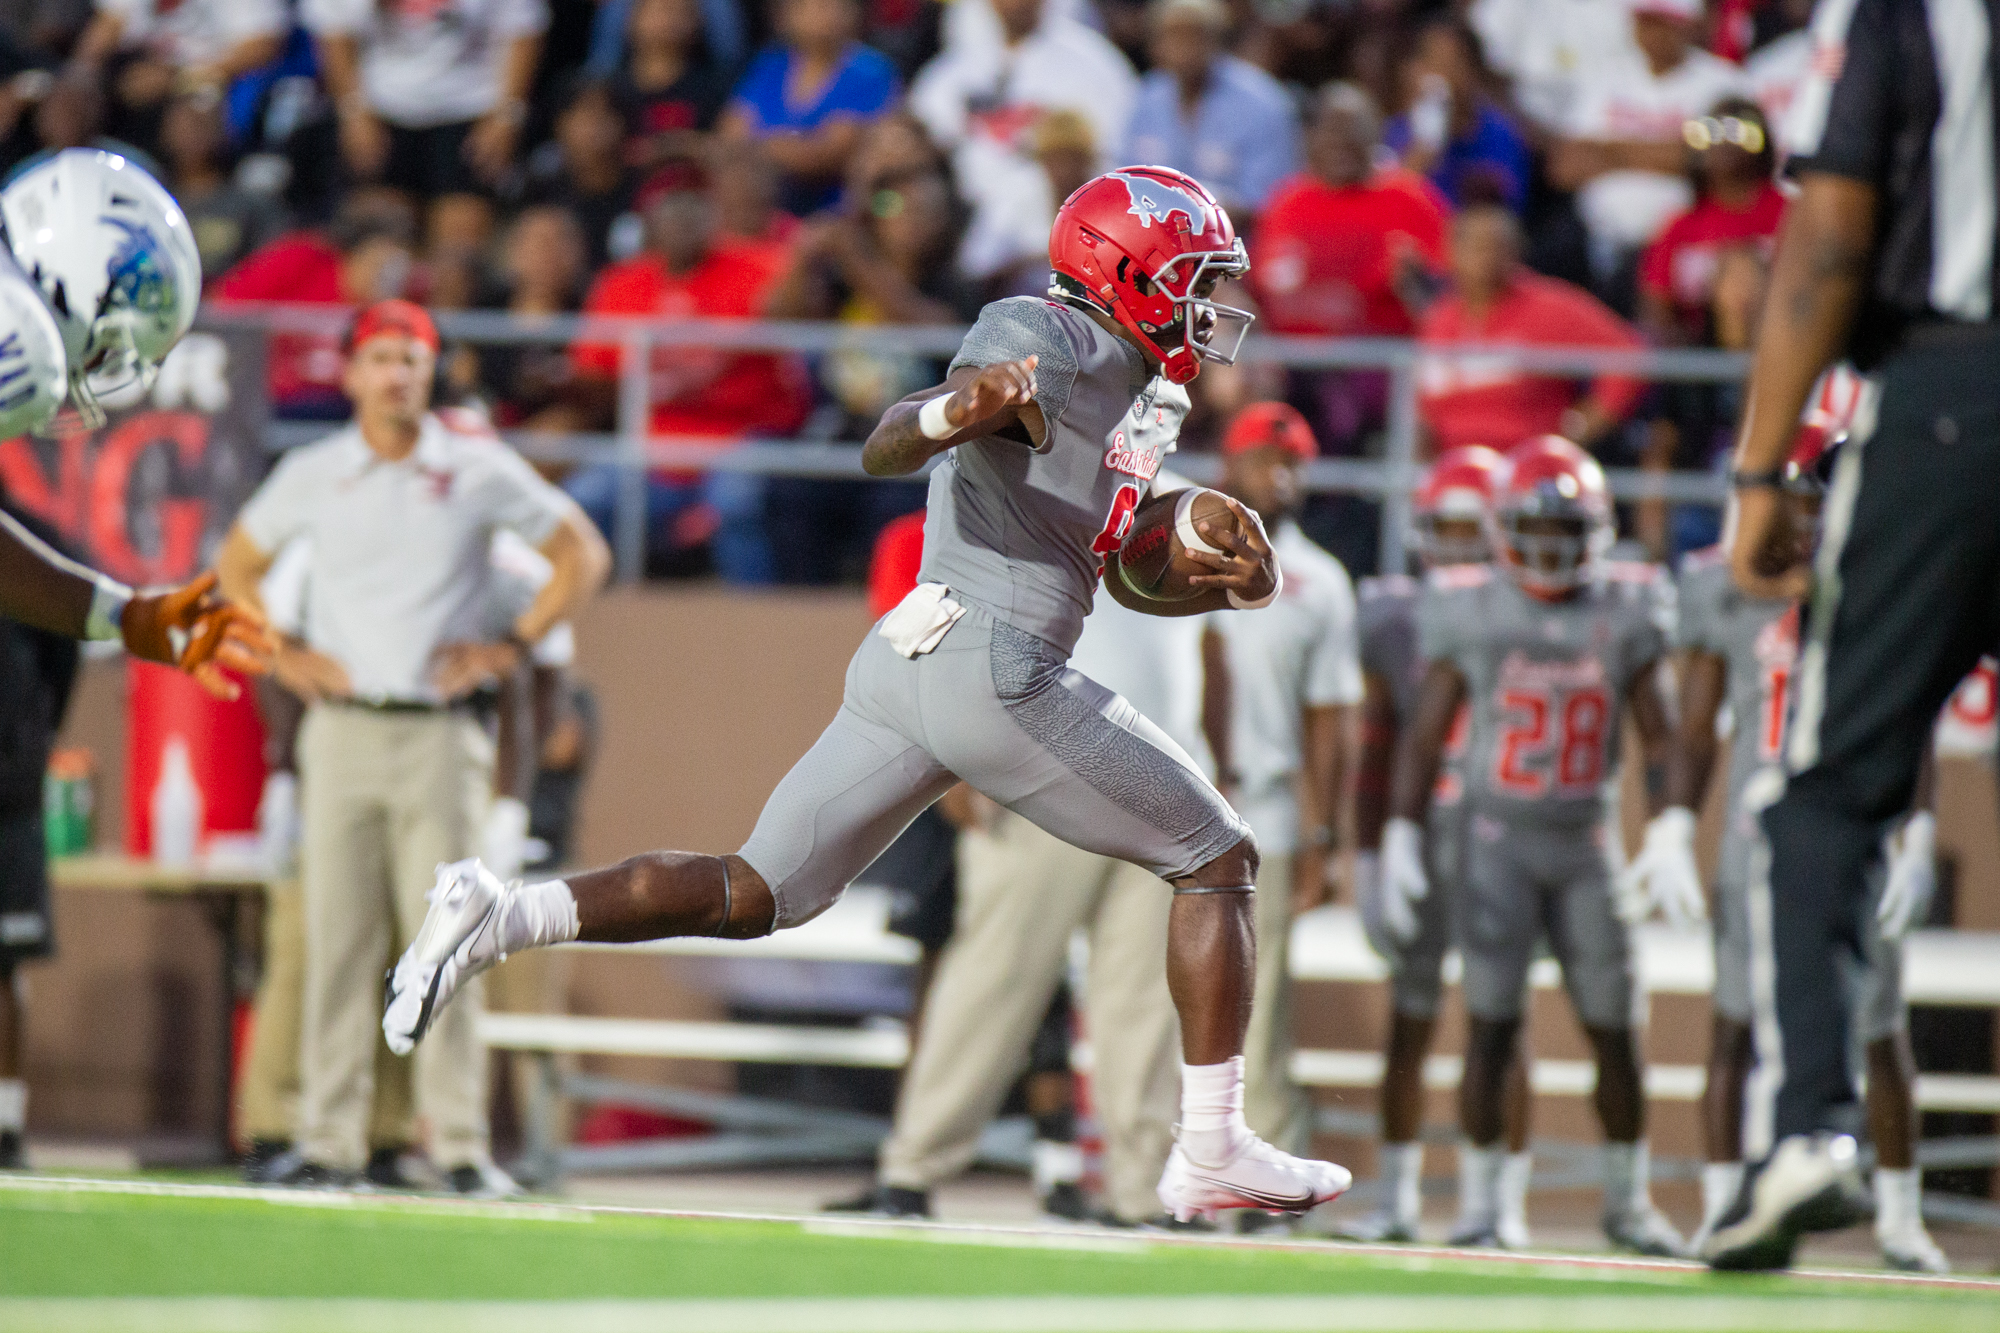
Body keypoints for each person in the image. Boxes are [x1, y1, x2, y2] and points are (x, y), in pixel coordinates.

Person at [384, 166, 1357, 1224]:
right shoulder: (1052, 334)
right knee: (1217, 856)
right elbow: (887, 440)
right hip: (997, 662)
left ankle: (498, 910)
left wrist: (1212, 575)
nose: (1210, 308)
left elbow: (1117, 564)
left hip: (915, 658)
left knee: (756, 891)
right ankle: (1210, 1144)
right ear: (1123, 273)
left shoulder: (1144, 385)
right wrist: (956, 407)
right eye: (1192, 282)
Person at [1696, 0, 2000, 1270]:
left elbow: (1825, 228)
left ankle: (1808, 1129)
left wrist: (1763, 472)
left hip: (1954, 393)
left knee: (1817, 794)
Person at [213, 299, 610, 1192]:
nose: (397, 373)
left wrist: (507, 648)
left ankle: (462, 1146)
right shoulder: (316, 471)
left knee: (450, 944)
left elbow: (579, 553)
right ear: (350, 372)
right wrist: (281, 650)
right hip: (345, 732)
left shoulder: (472, 466)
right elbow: (235, 563)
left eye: (413, 358)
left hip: (440, 738)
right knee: (336, 946)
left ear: (432, 372)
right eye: (381, 357)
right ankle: (329, 1141)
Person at [1626, 418, 1948, 1273]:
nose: (1809, 521)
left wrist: (1917, 831)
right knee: (1731, 1026)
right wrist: (1668, 822)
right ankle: (1726, 1205)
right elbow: (1695, 729)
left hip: (1859, 829)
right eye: (1805, 501)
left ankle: (1900, 1216)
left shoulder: (1881, 588)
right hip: (1751, 835)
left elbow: (1910, 725)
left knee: (1879, 1032)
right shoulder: (1725, 588)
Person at [1383, 436, 1683, 1257]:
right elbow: (1426, 729)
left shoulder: (1626, 608)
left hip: (1586, 842)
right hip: (1496, 840)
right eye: (1535, 530)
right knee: (1490, 1024)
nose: (1550, 548)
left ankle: (1627, 1201)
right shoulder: (1471, 604)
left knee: (1616, 1027)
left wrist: (1671, 822)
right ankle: (1487, 1206)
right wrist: (1403, 828)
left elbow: (1663, 734)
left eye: (1566, 530)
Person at [846, 565, 1219, 1225]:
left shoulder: (1186, 504)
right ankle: (910, 1171)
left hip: (1165, 780)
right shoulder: (1021, 488)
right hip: (1040, 769)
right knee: (991, 979)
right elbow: (933, 614)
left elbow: (1211, 653)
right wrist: (940, 743)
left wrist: (1219, 768)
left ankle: (1141, 1195)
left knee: (1143, 1004)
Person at [1339, 444, 1535, 1248]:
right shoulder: (1393, 617)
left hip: (1503, 831)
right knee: (1411, 1018)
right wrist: (1370, 850)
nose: (1453, 548)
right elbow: (1379, 742)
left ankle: (1502, 1204)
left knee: (1501, 1021)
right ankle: (1399, 1197)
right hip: (1424, 826)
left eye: (1469, 529)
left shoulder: (1532, 609)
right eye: (1442, 529)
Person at [1202, 403, 1361, 1199]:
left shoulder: (1321, 580)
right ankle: (1170, 1175)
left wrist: (1326, 832)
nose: (1284, 474)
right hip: (1170, 801)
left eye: (1295, 460)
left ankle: (1268, 1186)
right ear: (1231, 467)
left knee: (1258, 1013)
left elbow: (1331, 716)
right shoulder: (1182, 550)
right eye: (1269, 458)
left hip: (1265, 809)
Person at [554, 158, 809, 581]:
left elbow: (795, 318)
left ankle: (755, 621)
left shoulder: (758, 266)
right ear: (651, 222)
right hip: (652, 444)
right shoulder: (622, 283)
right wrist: (560, 382)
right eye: (670, 211)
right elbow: (595, 378)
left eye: (694, 209)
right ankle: (594, 620)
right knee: (581, 499)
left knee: (735, 501)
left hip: (740, 436)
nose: (682, 221)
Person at [1251, 84, 1447, 455]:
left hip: (1374, 361)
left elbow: (1441, 301)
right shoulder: (1287, 200)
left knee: (1340, 405)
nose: (1341, 142)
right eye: (1331, 129)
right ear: (1312, 137)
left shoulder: (1409, 200)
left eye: (1352, 131)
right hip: (1289, 362)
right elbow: (1261, 287)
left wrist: (1414, 281)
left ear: (1375, 136)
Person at [910, 0, 1136, 286]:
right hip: (959, 220)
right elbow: (921, 140)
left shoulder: (1096, 65)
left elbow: (1117, 160)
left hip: (1056, 215)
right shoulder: (951, 72)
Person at [1547, 0, 1749, 308]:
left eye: (1662, 22)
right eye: (1645, 22)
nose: (1651, 33)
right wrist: (1673, 149)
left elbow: (1719, 162)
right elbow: (1565, 166)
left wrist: (1609, 150)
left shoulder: (1722, 82)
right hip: (1598, 242)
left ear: (1686, 25)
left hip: (1685, 245)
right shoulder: (1604, 77)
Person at [1417, 204, 1645, 456]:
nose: (1487, 257)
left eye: (1498, 246)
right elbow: (1421, 405)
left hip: (1529, 470)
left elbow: (1627, 353)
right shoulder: (1439, 318)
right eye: (1477, 246)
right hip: (1455, 471)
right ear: (1451, 252)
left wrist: (1580, 428)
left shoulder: (1549, 306)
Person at [0, 495, 79, 1169]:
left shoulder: (33, 540)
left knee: (5, 964)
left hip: (6, 792)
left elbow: (65, 654)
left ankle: (5, 1121)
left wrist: (31, 743)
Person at [303, 0, 547, 216]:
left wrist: (507, 117)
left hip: (471, 110)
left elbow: (523, 28)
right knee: (384, 232)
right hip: (380, 109)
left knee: (459, 242)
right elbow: (333, 30)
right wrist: (353, 113)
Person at [213, 193, 419, 421]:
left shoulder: (400, 295)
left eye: (396, 262)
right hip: (277, 401)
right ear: (354, 252)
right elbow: (225, 306)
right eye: (379, 260)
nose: (387, 272)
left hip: (349, 408)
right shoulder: (302, 259)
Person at [1122, 0, 1299, 222]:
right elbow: (1124, 182)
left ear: (1217, 41)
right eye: (1174, 36)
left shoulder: (1262, 102)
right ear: (1155, 46)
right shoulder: (1144, 99)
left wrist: (1189, 212)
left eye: (1195, 35)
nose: (1184, 47)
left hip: (1235, 245)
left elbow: (1271, 200)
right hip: (1155, 240)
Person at [718, 0, 898, 216]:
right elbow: (728, 139)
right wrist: (793, 144)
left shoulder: (871, 72)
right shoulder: (770, 65)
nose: (830, 14)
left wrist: (759, 144)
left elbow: (824, 155)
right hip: (765, 212)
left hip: (836, 213)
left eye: (838, 5)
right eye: (816, 6)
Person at [1636, 99, 1784, 347]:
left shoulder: (1789, 215)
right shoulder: (1680, 226)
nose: (1723, 142)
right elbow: (1655, 312)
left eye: (1738, 131)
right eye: (1709, 132)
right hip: (1701, 358)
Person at [1382, 16, 1530, 215]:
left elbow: (1503, 217)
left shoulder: (1500, 133)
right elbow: (1386, 209)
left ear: (1473, 72)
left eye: (1454, 64)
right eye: (1435, 63)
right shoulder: (1394, 132)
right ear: (1412, 70)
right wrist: (1426, 145)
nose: (1445, 76)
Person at [157, 86, 289, 282]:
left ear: (225, 131)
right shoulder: (154, 202)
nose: (192, 135)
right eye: (182, 125)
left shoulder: (253, 206)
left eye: (201, 124)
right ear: (165, 133)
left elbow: (272, 271)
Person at [610, 0, 735, 168]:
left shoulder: (714, 88)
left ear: (699, 21)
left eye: (680, 11)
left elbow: (729, 147)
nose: (667, 20)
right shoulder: (610, 90)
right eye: (660, 10)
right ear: (631, 19)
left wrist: (672, 147)